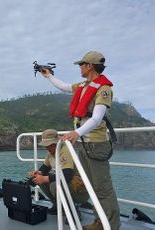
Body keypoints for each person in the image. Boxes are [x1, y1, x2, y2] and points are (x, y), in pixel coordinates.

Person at [39, 51, 120, 230]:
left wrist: (76, 133)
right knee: (90, 185)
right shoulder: (84, 85)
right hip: (84, 145)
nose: (80, 67)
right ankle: (99, 222)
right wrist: (49, 76)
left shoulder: (103, 88)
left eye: (81, 64)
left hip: (96, 145)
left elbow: (97, 118)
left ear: (89, 66)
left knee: (103, 188)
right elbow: (64, 86)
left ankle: (111, 226)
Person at [28, 129, 89, 215]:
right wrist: (38, 174)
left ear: (56, 142)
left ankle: (73, 211)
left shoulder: (65, 150)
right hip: (69, 185)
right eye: (46, 145)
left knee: (54, 185)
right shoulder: (51, 151)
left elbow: (67, 175)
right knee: (40, 180)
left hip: (80, 190)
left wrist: (45, 178)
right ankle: (58, 205)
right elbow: (45, 168)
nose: (47, 147)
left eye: (49, 145)